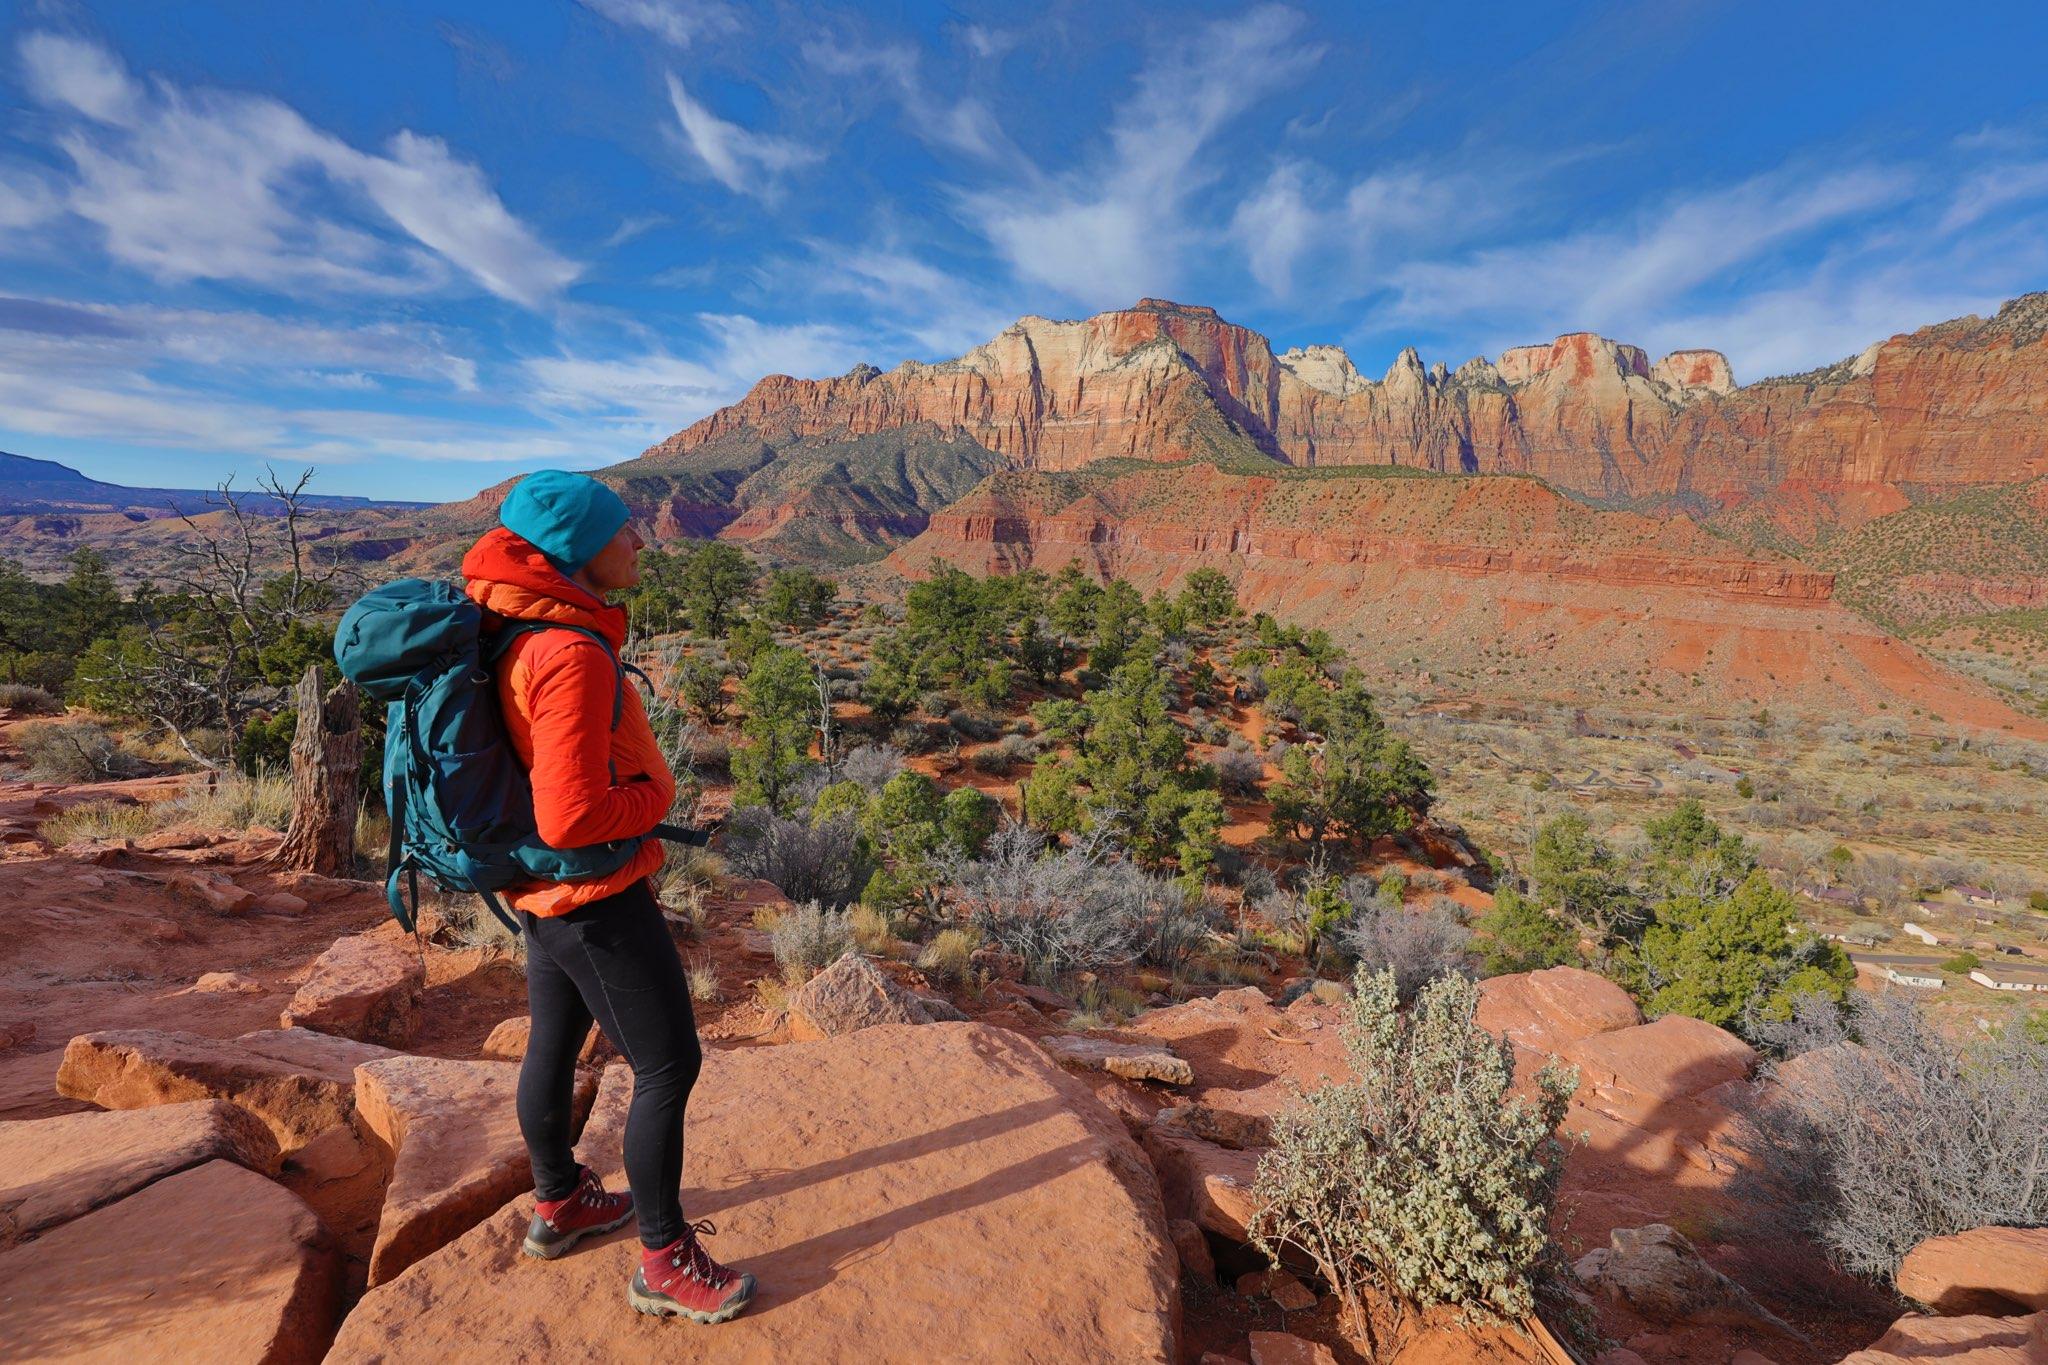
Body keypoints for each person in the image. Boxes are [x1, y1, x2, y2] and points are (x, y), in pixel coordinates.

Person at [460, 469, 755, 1325]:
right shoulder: (570, 652)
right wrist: (656, 806)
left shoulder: (518, 625)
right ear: (580, 550)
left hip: (542, 896)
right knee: (668, 1064)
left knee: (554, 1042)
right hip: (594, 897)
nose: (640, 540)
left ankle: (561, 1202)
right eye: (625, 529)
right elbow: (574, 813)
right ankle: (664, 1260)